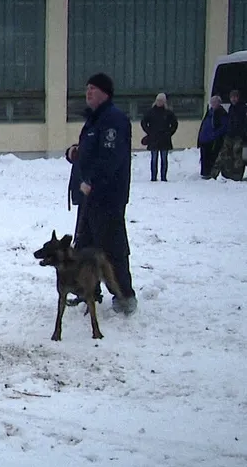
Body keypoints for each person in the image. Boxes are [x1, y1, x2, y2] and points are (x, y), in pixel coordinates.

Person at [63, 72, 138, 315]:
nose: (88, 92)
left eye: (93, 88)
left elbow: (111, 158)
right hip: (89, 198)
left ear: (105, 93)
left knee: (112, 248)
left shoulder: (113, 119)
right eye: (87, 88)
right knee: (84, 246)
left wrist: (92, 181)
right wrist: (74, 152)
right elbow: (91, 151)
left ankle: (124, 296)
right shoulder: (94, 120)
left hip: (106, 197)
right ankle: (88, 291)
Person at [208, 89, 247, 180]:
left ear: (238, 98)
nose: (233, 99)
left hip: (238, 136)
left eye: (235, 97)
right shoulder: (231, 108)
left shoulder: (244, 108)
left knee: (237, 155)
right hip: (229, 135)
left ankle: (237, 176)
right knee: (223, 154)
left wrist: (242, 132)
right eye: (232, 97)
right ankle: (214, 174)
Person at [140, 92, 178, 182]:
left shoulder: (168, 113)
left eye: (161, 101)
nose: (159, 102)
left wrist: (169, 133)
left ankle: (163, 177)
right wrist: (149, 132)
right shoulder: (150, 112)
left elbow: (174, 124)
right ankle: (153, 177)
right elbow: (143, 122)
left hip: (165, 139)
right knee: (154, 159)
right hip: (153, 139)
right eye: (158, 100)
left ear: (164, 102)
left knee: (164, 159)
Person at [197, 95, 227, 178]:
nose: (212, 104)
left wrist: (215, 135)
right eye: (212, 102)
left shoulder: (221, 113)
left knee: (211, 157)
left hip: (213, 139)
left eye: (214, 102)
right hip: (204, 139)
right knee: (204, 157)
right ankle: (204, 173)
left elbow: (224, 127)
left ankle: (210, 173)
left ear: (219, 103)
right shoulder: (209, 112)